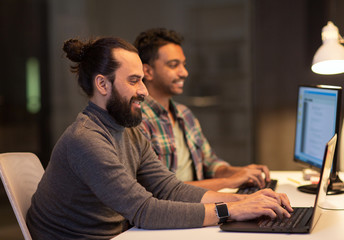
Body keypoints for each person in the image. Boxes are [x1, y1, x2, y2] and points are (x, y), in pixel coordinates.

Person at [26, 37, 292, 240]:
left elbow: (170, 189)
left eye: (142, 80)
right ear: (102, 85)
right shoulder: (86, 140)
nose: (143, 91)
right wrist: (230, 211)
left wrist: (245, 201)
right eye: (133, 81)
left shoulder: (128, 130)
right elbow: (145, 211)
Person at [134, 28, 270, 191]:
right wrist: (231, 181)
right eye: (173, 65)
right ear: (147, 71)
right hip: (175, 211)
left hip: (201, 201)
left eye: (183, 65)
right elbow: (160, 190)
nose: (184, 72)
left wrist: (241, 172)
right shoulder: (138, 121)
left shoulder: (184, 114)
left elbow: (210, 164)